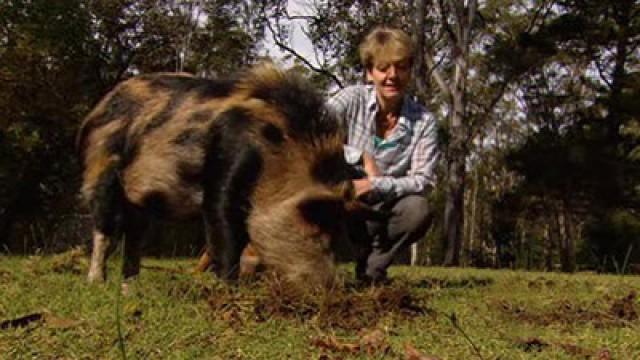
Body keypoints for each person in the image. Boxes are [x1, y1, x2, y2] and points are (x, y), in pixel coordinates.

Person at [327, 26, 439, 284]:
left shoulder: (424, 121)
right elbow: (310, 131)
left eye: (400, 67)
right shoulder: (350, 99)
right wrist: (362, 157)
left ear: (410, 71)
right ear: (369, 73)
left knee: (418, 209)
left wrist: (374, 183)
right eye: (383, 68)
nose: (392, 76)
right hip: (342, 202)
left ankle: (372, 270)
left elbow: (423, 180)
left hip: (385, 209)